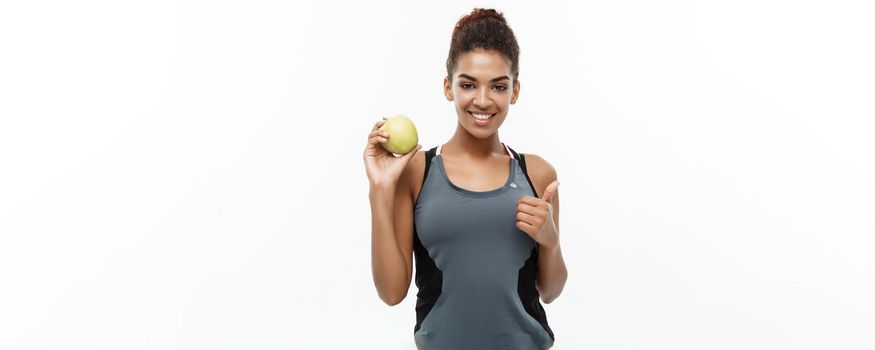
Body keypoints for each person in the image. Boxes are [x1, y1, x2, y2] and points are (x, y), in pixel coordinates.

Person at [363, 8, 567, 350]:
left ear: (514, 91)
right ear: (448, 87)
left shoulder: (537, 173)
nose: (483, 100)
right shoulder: (417, 170)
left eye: (498, 86)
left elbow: (551, 290)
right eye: (468, 84)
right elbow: (392, 292)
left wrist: (550, 240)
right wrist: (380, 190)